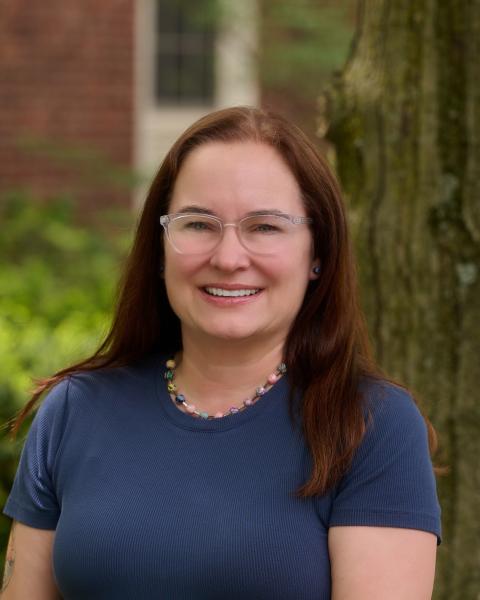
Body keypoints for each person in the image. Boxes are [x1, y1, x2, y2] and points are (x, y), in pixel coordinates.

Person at [1, 106, 441, 600]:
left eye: (266, 227)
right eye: (197, 224)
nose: (229, 258)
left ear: (317, 253)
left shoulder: (371, 425)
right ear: (160, 246)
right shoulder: (75, 410)